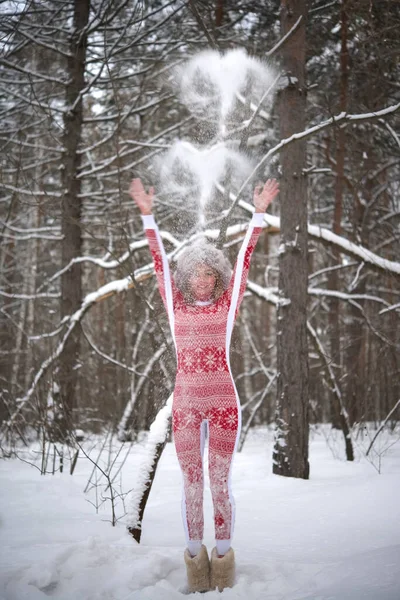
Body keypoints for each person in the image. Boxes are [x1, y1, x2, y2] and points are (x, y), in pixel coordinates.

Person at [129, 177, 279, 593]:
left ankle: (224, 565)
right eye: (195, 273)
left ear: (218, 278)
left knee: (220, 482)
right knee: (191, 483)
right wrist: (147, 216)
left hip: (225, 404)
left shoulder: (228, 306)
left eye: (210, 273)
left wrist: (259, 212)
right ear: (186, 278)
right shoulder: (176, 310)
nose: (202, 280)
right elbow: (159, 260)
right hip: (187, 406)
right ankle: (196, 564)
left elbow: (247, 258)